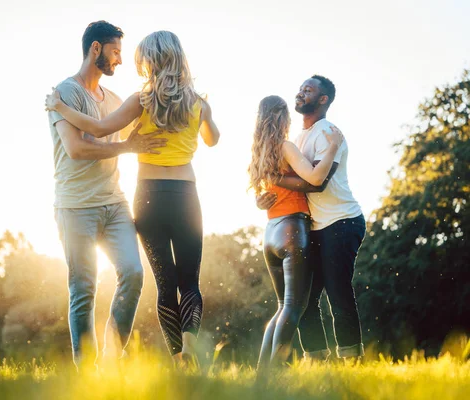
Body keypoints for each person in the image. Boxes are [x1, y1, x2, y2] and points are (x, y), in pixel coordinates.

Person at [46, 30, 221, 366]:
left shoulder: (140, 101)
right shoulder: (198, 103)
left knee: (165, 285)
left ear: (149, 61)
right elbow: (213, 140)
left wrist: (60, 108)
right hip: (186, 197)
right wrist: (204, 119)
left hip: (149, 199)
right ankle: (188, 348)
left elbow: (98, 130)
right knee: (190, 282)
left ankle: (174, 360)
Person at [47, 20, 168, 368]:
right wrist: (126, 147)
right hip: (75, 207)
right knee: (83, 289)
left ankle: (111, 360)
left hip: (115, 204)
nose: (119, 60)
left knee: (133, 273)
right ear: (96, 49)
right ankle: (86, 371)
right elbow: (76, 148)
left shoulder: (115, 99)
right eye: (115, 52)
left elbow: (142, 132)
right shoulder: (65, 94)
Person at [257, 75, 366, 361]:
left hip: (341, 221)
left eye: (309, 90)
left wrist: (276, 178)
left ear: (323, 99)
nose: (301, 92)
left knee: (337, 290)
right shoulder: (296, 139)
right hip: (312, 226)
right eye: (300, 88)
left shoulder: (329, 133)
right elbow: (286, 184)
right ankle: (317, 360)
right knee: (304, 301)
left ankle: (351, 359)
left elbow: (317, 183)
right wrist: (264, 196)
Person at [249, 95, 343, 371]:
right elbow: (315, 178)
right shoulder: (285, 147)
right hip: (292, 228)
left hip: (271, 233)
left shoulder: (259, 154)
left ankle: (262, 376)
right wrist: (333, 147)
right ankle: (275, 371)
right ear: (282, 117)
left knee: (281, 307)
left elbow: (264, 193)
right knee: (293, 307)